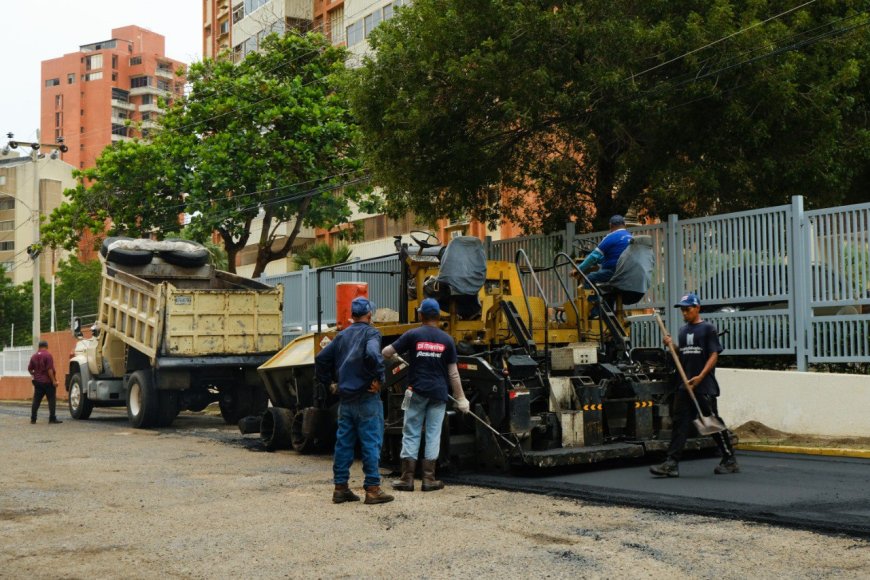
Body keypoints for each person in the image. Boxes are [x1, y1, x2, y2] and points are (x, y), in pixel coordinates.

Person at [381, 298, 471, 492]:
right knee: (433, 434)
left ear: (421, 315)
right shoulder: (447, 340)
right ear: (438, 316)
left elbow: (386, 352)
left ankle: (407, 479)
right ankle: (429, 479)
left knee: (411, 432)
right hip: (438, 393)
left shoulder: (412, 334)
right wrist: (461, 398)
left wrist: (393, 355)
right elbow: (453, 374)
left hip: (416, 391)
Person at [315, 297, 394, 505]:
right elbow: (372, 354)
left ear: (352, 315)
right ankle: (373, 489)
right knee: (371, 443)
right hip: (367, 398)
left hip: (345, 399)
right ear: (369, 315)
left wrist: (330, 384)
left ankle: (340, 489)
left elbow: (321, 358)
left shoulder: (342, 336)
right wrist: (380, 379)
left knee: (344, 444)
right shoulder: (372, 333)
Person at [650, 293, 739, 478]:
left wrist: (701, 376)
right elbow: (682, 355)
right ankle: (671, 463)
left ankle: (729, 459)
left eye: (687, 309)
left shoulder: (708, 329)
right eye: (682, 310)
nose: (684, 313)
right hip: (686, 385)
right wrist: (671, 345)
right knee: (679, 424)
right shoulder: (683, 331)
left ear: (697, 308)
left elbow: (713, 355)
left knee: (711, 422)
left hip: (703, 385)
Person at [577, 215, 633, 318]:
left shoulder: (611, 237)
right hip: (629, 274)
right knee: (608, 290)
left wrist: (578, 269)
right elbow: (617, 256)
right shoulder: (631, 237)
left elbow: (594, 256)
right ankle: (608, 314)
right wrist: (601, 260)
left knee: (589, 278)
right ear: (624, 225)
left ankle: (595, 312)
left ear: (610, 226)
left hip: (614, 272)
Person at [28, 340, 62, 425]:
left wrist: (35, 374)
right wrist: (54, 381)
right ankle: (52, 418)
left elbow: (30, 369)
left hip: (38, 382)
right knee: (51, 400)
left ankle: (33, 419)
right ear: (47, 346)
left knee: (36, 400)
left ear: (39, 347)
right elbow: (49, 370)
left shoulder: (34, 356)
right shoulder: (48, 355)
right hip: (48, 382)